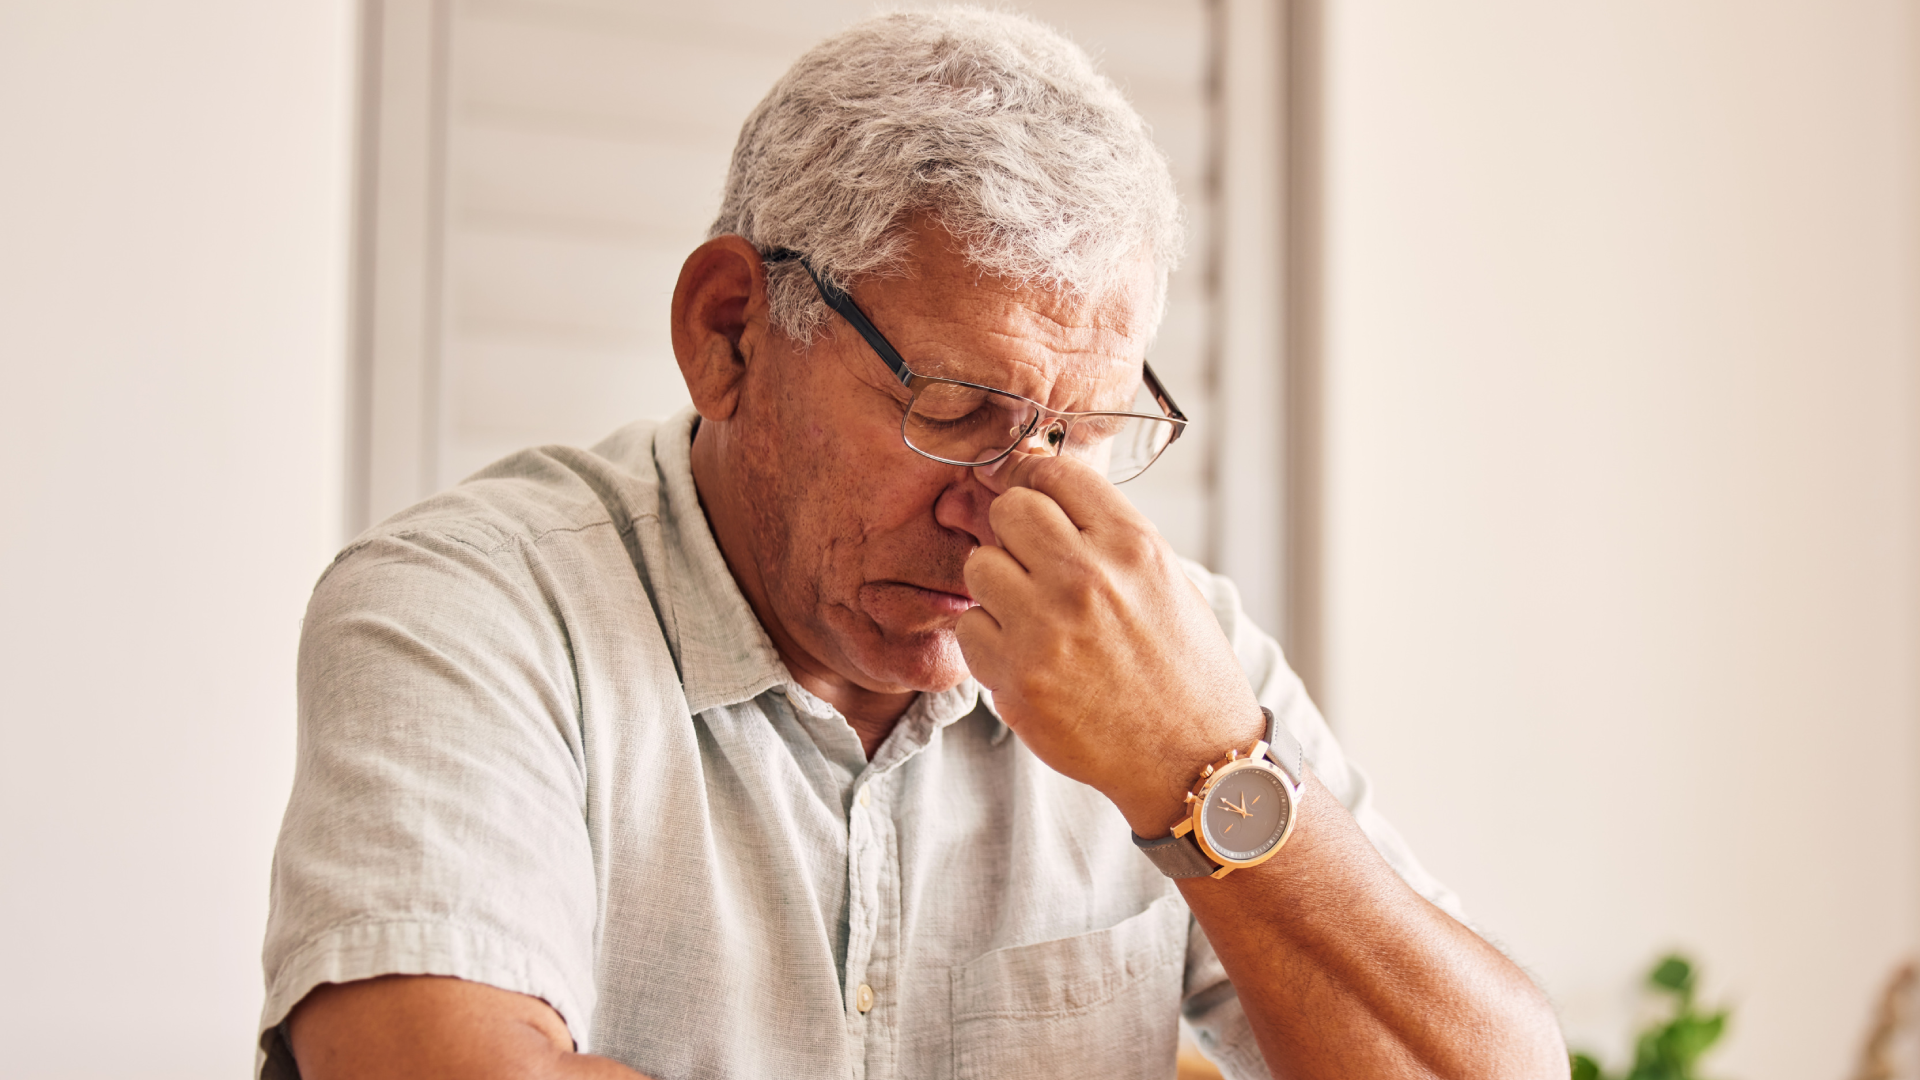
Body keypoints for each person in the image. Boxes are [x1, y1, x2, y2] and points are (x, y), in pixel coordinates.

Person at [259, 9, 1565, 1079]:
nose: (1014, 511)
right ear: (730, 332)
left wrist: (1199, 778)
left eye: (1082, 430)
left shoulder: (1173, 658)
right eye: (955, 412)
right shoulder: (474, 609)